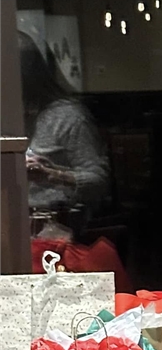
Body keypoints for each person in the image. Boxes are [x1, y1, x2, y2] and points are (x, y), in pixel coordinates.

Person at [18, 30, 109, 234]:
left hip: (55, 228)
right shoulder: (9, 114)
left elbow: (99, 182)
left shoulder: (67, 116)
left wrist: (54, 175)